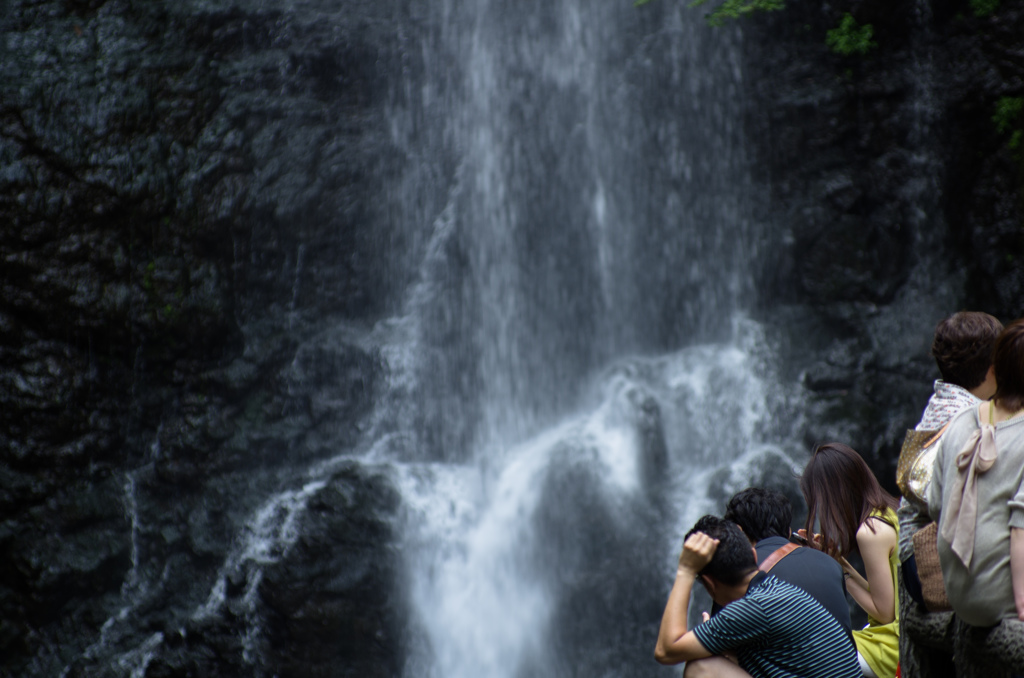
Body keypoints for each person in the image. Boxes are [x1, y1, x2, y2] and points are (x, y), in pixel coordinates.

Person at [654, 515, 860, 678]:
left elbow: (666, 650)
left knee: (700, 667)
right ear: (754, 555)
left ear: (709, 584)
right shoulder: (778, 590)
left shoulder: (753, 608)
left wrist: (686, 570)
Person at [928, 318, 1024, 627]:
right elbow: (1021, 529)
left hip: (959, 593)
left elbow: (935, 506)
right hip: (1004, 598)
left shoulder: (960, 421)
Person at [898, 311, 1002, 589]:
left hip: (912, 559)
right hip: (931, 563)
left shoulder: (941, 405)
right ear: (993, 368)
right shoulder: (968, 420)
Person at [801, 443, 900, 678]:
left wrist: (841, 572)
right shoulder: (888, 513)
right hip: (899, 633)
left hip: (892, 647)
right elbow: (887, 599)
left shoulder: (870, 532)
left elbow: (884, 613)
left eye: (818, 499)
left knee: (806, 653)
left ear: (834, 493)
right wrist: (838, 562)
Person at [723, 487, 852, 635]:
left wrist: (688, 568)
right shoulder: (831, 563)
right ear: (789, 532)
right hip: (843, 657)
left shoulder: (740, 571)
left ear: (738, 532)